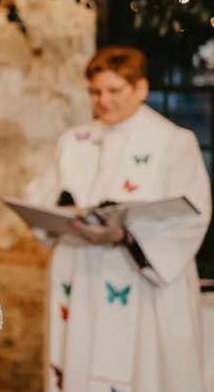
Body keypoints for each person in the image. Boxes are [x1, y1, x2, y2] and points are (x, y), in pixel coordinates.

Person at [26, 46, 211, 392]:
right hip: (81, 274)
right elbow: (45, 194)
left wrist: (125, 236)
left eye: (114, 91)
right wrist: (59, 211)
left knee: (146, 374)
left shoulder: (174, 141)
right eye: (96, 91)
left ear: (141, 88)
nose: (103, 100)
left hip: (142, 281)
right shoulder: (74, 140)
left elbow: (192, 216)